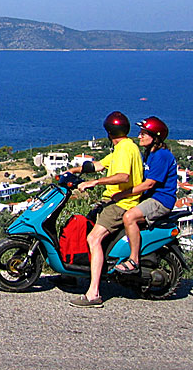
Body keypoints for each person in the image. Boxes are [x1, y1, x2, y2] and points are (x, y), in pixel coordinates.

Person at [65, 111, 143, 308]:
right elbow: (99, 165)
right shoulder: (124, 147)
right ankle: (72, 274)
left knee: (93, 238)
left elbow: (123, 176)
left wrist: (95, 183)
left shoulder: (125, 149)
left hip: (120, 203)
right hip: (113, 201)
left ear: (109, 132)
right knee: (87, 225)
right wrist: (72, 171)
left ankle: (93, 293)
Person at [113, 116, 178, 274]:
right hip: (150, 197)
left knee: (129, 217)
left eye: (144, 134)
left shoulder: (161, 155)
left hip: (160, 200)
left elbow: (149, 184)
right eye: (140, 132)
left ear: (155, 137)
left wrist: (123, 194)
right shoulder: (150, 153)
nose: (139, 136)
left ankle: (133, 260)